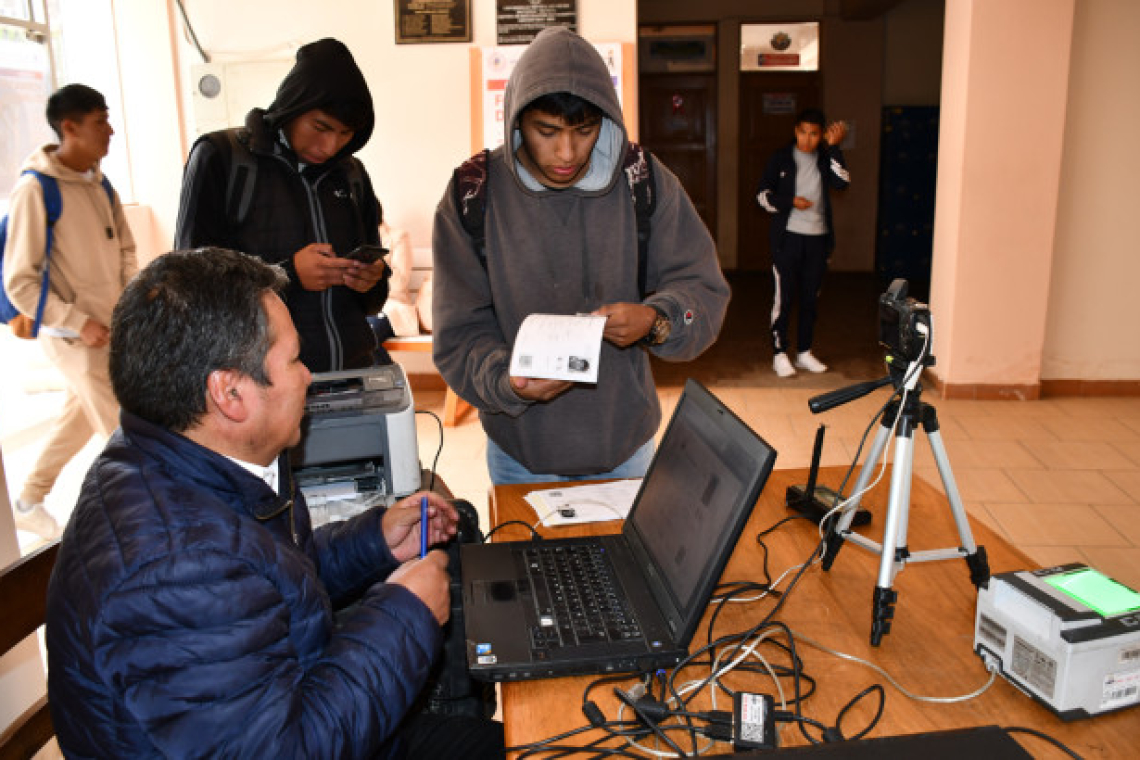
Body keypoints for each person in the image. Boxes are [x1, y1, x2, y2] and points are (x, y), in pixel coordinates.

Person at [43, 247, 504, 758]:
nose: (307, 376)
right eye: (294, 360)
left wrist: (375, 542)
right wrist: (406, 615)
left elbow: (271, 580)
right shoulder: (177, 567)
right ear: (229, 394)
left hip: (302, 704)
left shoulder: (177, 458)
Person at [432, 27, 730, 485]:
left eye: (585, 131)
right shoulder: (473, 195)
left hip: (625, 445)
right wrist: (508, 381)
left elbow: (704, 291)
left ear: (605, 120)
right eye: (546, 131)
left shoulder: (644, 180)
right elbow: (459, 333)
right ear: (516, 120)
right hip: (520, 451)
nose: (566, 152)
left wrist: (656, 320)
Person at [174, 38, 388, 372]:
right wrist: (287, 275)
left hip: (351, 373)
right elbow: (189, 284)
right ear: (292, 107)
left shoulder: (351, 175)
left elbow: (373, 301)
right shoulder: (222, 158)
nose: (330, 146)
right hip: (262, 382)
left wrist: (371, 278)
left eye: (345, 134)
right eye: (320, 127)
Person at [2, 83, 136, 539]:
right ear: (70, 128)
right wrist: (78, 323)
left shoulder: (101, 185)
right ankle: (138, 526)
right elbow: (20, 281)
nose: (110, 131)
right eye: (100, 122)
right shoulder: (35, 190)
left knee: (77, 419)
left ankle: (28, 500)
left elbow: (125, 250)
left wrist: (129, 304)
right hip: (74, 339)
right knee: (127, 433)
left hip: (111, 328)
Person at [755, 107, 850, 378]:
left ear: (822, 135)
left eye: (814, 134)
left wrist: (834, 148)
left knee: (810, 299)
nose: (807, 139)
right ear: (796, 131)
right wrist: (790, 202)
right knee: (783, 299)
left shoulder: (825, 157)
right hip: (787, 239)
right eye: (803, 132)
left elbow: (842, 183)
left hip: (818, 241)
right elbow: (761, 196)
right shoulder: (781, 158)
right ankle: (779, 353)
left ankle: (805, 352)